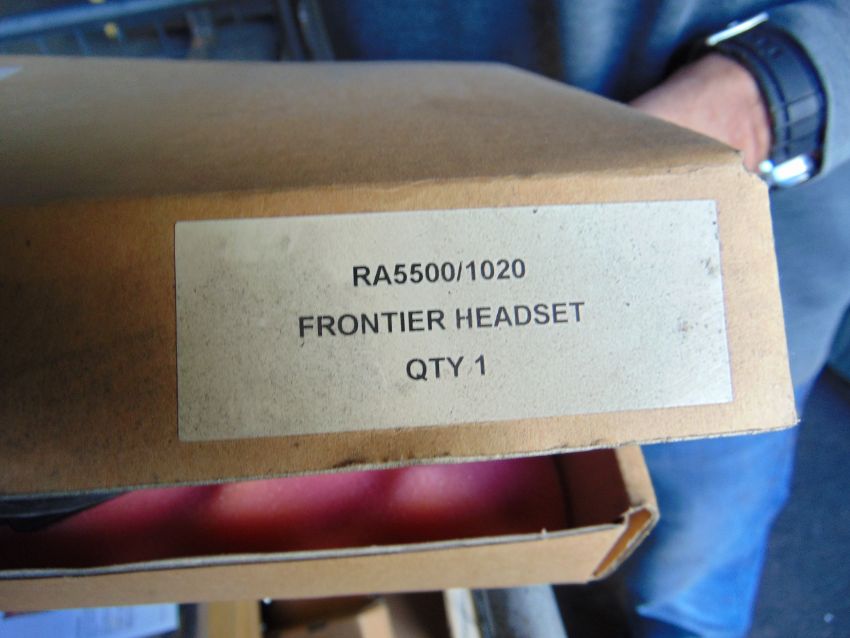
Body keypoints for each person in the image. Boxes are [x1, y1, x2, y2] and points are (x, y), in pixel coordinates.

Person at [316, 2, 850, 635]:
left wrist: (762, 96)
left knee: (685, 588)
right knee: (486, 551)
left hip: (713, 278)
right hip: (433, 265)